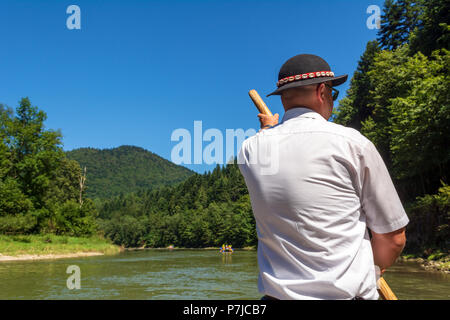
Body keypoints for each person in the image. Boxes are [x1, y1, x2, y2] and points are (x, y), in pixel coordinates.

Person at [238, 54, 409, 300]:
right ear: (322, 91)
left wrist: (267, 130)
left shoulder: (249, 150)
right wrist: (373, 272)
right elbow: (393, 238)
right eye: (333, 94)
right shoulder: (353, 144)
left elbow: (274, 152)